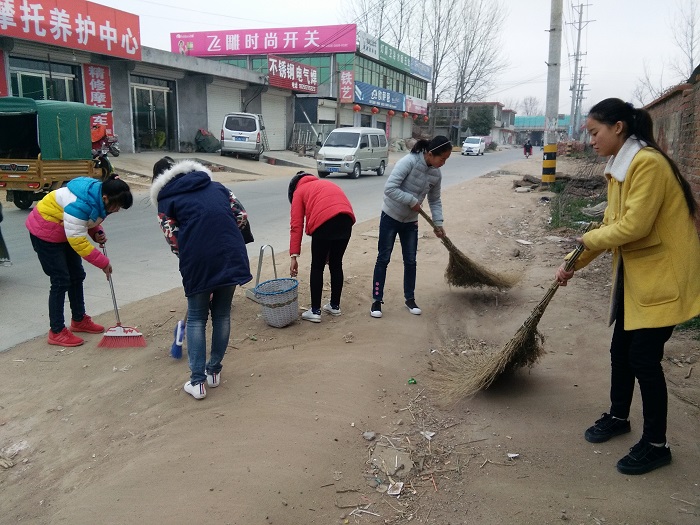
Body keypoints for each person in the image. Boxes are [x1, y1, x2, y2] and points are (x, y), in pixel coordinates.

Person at [555, 98, 700, 475]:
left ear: (618, 127)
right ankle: (619, 416)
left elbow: (633, 227)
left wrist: (586, 244)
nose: (591, 141)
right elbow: (608, 224)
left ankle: (656, 444)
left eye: (593, 132)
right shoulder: (620, 166)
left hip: (662, 279)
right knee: (621, 351)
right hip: (636, 279)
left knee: (643, 360)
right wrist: (573, 264)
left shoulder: (647, 164)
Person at [151, 158, 252, 400]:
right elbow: (241, 215)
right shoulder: (217, 187)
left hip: (197, 259)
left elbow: (172, 237)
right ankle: (214, 372)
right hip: (230, 252)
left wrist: (190, 253)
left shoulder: (166, 199)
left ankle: (197, 382)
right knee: (222, 313)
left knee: (196, 317)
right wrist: (223, 237)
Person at [26, 174, 134, 347]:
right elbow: (77, 237)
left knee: (77, 275)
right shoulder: (80, 204)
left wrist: (96, 231)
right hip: (45, 232)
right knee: (61, 280)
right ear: (106, 198)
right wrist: (103, 262)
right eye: (117, 205)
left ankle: (78, 320)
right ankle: (56, 331)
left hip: (64, 231)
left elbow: (87, 220)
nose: (117, 210)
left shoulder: (99, 197)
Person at [370, 136, 451, 318]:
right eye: (442, 158)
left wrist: (438, 223)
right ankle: (376, 300)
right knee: (383, 258)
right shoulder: (409, 162)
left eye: (446, 159)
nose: (443, 163)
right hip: (390, 216)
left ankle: (410, 299)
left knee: (411, 260)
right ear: (430, 154)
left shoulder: (436, 174)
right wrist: (411, 200)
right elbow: (390, 188)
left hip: (410, 221)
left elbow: (435, 200)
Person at [288, 171, 355, 323]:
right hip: (346, 220)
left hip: (324, 223)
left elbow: (296, 226)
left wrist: (294, 256)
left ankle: (315, 311)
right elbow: (335, 210)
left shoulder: (299, 191)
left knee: (317, 266)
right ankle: (335, 306)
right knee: (336, 264)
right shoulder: (324, 184)